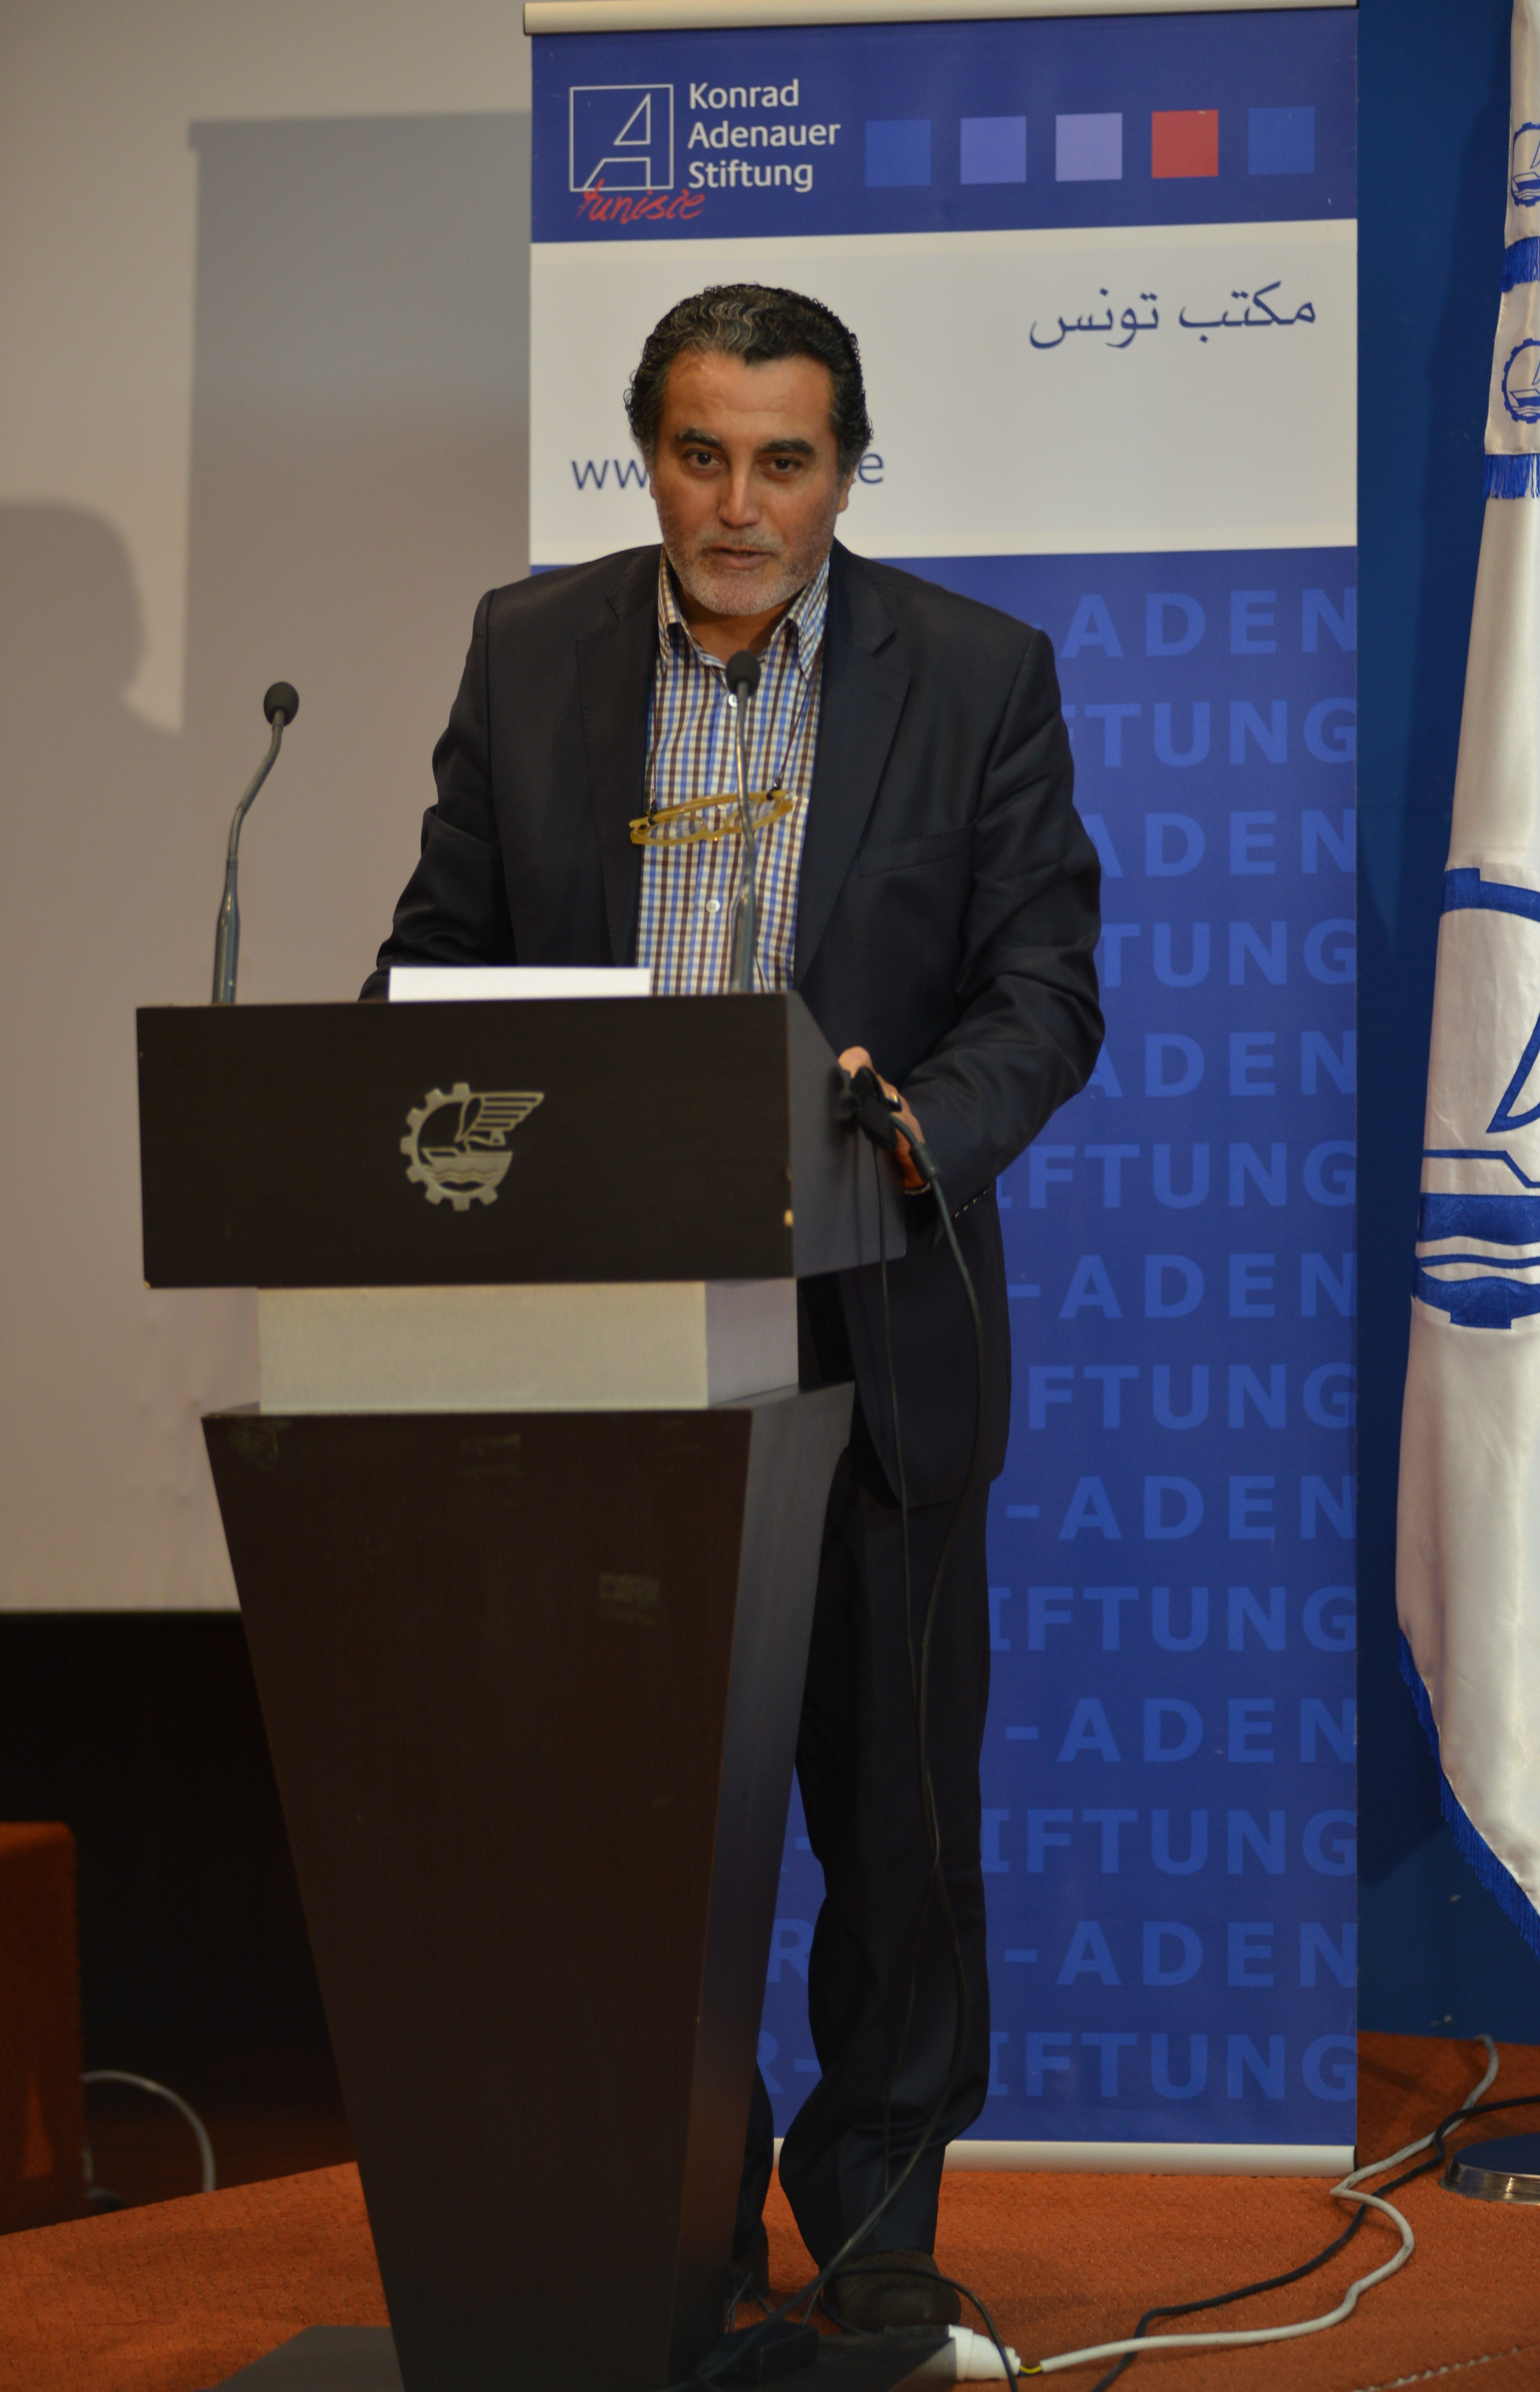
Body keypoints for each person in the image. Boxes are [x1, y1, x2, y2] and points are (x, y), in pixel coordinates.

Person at [363, 284, 1102, 2331]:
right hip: (587, 1345)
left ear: (845, 471)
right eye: (700, 455)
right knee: (616, 1836)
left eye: (785, 460)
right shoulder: (530, 652)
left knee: (891, 1830)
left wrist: (905, 1134)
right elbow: (439, 956)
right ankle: (658, 2229)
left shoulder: (975, 674)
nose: (739, 504)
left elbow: (1042, 991)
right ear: (647, 459)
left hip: (873, 1323)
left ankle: (875, 2246)